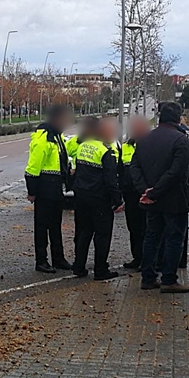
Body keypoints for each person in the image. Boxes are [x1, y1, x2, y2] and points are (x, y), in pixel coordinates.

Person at [130, 102, 189, 293]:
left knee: (151, 236)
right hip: (174, 199)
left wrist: (146, 191)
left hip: (151, 200)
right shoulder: (181, 140)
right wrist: (155, 191)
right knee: (174, 238)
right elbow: (177, 172)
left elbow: (134, 167)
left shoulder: (144, 139)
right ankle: (169, 279)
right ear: (178, 118)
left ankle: (148, 277)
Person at [72, 117, 123, 280]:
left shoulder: (83, 147)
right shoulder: (105, 152)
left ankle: (79, 267)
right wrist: (117, 200)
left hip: (81, 198)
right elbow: (110, 180)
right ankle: (101, 270)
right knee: (102, 235)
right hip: (99, 200)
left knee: (84, 232)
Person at [25, 104, 75, 273]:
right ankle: (41, 261)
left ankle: (58, 258)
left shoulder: (57, 137)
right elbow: (33, 168)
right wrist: (32, 191)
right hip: (45, 187)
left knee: (55, 225)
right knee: (42, 226)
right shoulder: (44, 138)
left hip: (56, 188)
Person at [118, 117, 150, 270]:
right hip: (129, 194)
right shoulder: (125, 146)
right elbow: (120, 169)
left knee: (146, 228)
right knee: (134, 228)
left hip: (144, 194)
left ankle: (147, 259)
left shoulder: (150, 145)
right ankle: (137, 257)